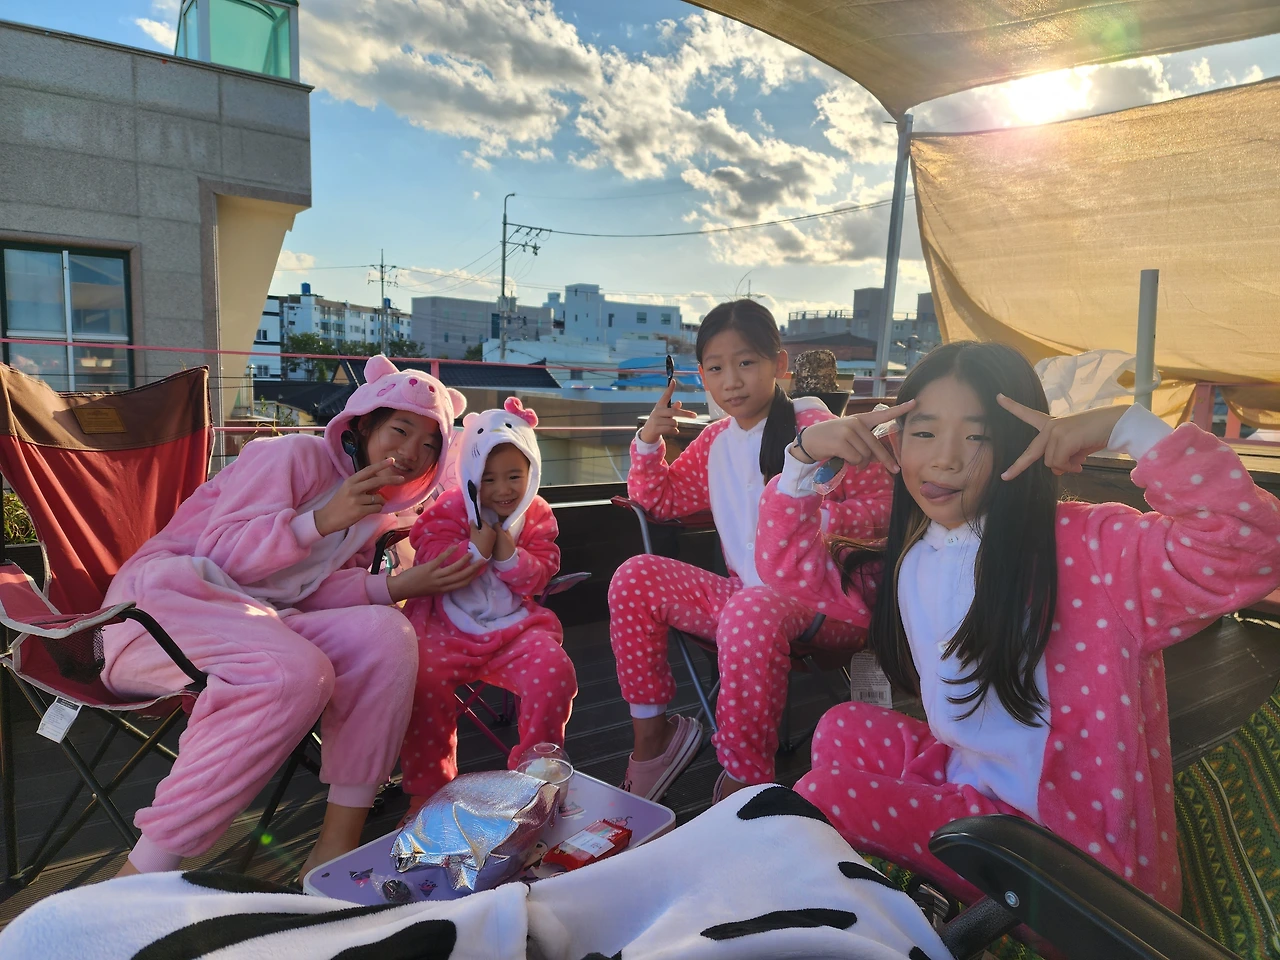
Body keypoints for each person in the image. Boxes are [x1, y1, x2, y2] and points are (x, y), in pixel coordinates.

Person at [756, 339, 1280, 910]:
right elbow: (786, 566)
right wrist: (803, 454)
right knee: (838, 727)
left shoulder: (1089, 549)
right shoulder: (913, 549)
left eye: (977, 436)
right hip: (972, 779)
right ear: (893, 442)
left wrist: (1127, 427)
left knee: (821, 795)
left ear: (1026, 441)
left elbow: (1252, 547)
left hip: (1067, 861)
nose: (944, 459)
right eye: (924, 432)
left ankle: (927, 912)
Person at [100, 355, 484, 881]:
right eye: (400, 430)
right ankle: (140, 875)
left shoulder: (373, 510)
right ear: (363, 425)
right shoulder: (289, 456)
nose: (413, 452)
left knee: (388, 634)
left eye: (430, 445)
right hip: (158, 610)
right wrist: (320, 520)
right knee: (296, 672)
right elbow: (221, 555)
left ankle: (334, 849)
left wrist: (398, 586)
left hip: (262, 619)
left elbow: (313, 591)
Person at [609, 299, 894, 805]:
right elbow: (660, 499)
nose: (732, 382)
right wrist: (649, 440)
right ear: (701, 376)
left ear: (778, 364)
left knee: (749, 610)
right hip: (748, 596)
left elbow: (885, 508)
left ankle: (743, 782)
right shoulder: (715, 440)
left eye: (746, 362)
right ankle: (654, 740)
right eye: (716, 369)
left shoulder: (819, 427)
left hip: (826, 601)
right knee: (634, 577)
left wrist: (816, 519)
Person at [399, 397, 573, 810]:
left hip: (514, 630)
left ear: (532, 472)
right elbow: (428, 559)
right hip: (445, 627)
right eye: (488, 478)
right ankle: (428, 789)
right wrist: (475, 550)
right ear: (471, 476)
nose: (502, 490)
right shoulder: (450, 507)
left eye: (514, 476)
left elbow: (542, 573)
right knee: (422, 681)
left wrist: (510, 555)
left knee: (554, 671)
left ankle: (535, 778)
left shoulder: (537, 514)